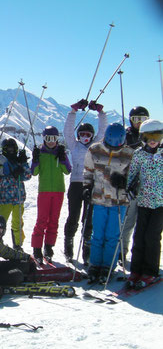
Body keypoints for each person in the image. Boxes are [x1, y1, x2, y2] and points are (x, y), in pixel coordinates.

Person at [83, 123, 134, 283]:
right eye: (111, 143)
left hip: (118, 201)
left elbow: (134, 177)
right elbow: (88, 171)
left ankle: (108, 265)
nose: (114, 147)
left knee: (113, 235)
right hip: (99, 198)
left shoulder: (128, 154)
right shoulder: (95, 150)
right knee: (97, 234)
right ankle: (95, 264)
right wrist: (86, 186)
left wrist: (125, 181)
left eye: (117, 144)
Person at [63, 100, 107, 264]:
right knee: (73, 216)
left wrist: (101, 113)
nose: (85, 137)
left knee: (88, 218)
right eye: (82, 134)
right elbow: (67, 131)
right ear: (78, 136)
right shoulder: (74, 146)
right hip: (75, 184)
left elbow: (103, 130)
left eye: (88, 135)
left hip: (91, 185)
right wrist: (73, 111)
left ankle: (86, 250)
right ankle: (68, 247)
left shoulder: (96, 145)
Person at [125, 119, 163, 289]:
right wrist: (130, 186)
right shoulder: (139, 154)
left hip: (160, 203)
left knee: (152, 237)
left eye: (157, 136)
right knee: (139, 236)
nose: (153, 140)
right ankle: (136, 269)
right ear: (143, 138)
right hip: (143, 200)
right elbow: (132, 173)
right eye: (149, 137)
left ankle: (150, 271)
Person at [31, 126, 71, 263]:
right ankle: (37, 249)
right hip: (44, 191)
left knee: (54, 220)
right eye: (48, 138)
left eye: (54, 138)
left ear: (57, 139)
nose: (51, 141)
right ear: (43, 138)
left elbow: (67, 171)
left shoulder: (60, 153)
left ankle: (48, 248)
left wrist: (63, 158)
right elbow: (34, 172)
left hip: (58, 191)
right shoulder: (40, 153)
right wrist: (35, 159)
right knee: (41, 220)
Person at [120, 106, 150, 263]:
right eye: (136, 119)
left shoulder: (152, 137)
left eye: (143, 120)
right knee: (128, 222)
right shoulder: (126, 136)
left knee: (144, 224)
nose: (139, 123)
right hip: (130, 186)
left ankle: (140, 254)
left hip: (149, 187)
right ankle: (122, 251)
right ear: (131, 120)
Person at [0, 138, 32, 250]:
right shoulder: (0, 163)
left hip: (19, 198)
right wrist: (13, 176)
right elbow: (0, 182)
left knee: (18, 224)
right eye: (9, 149)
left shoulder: (18, 161)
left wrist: (24, 163)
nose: (11, 151)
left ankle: (18, 245)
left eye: (13, 148)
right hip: (5, 199)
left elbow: (27, 176)